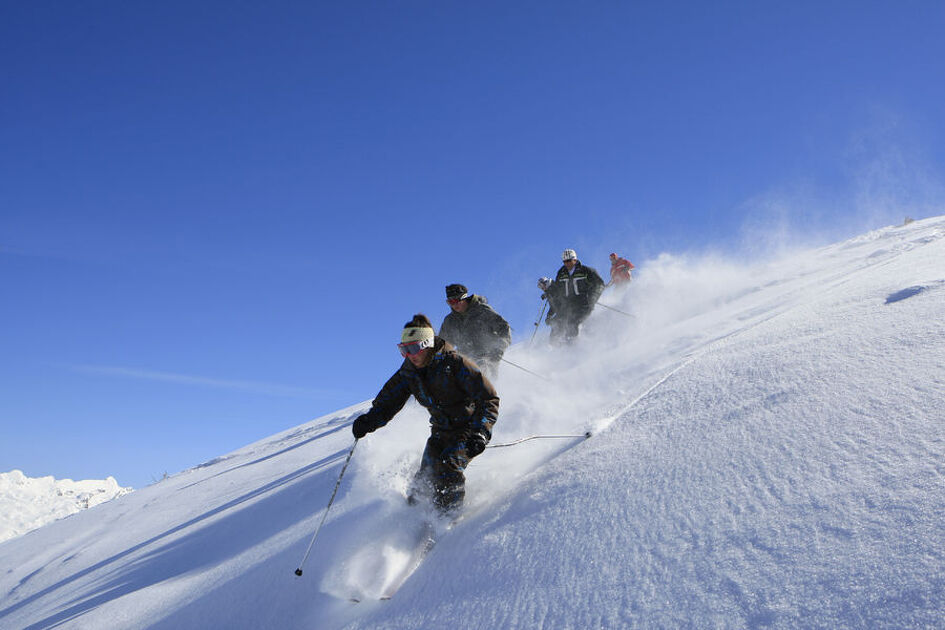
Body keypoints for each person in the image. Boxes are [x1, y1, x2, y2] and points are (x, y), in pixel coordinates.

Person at [351, 314, 499, 516]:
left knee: (448, 468)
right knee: (423, 482)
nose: (409, 355)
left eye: (413, 348)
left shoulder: (455, 364)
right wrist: (368, 421)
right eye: (403, 350)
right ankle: (411, 524)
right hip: (440, 432)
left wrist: (481, 432)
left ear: (427, 344)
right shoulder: (409, 373)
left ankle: (447, 521)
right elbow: (388, 401)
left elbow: (488, 399)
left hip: (467, 430)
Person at [438, 283, 511, 380]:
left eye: (456, 300)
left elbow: (504, 328)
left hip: (488, 357)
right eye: (450, 302)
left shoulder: (482, 311)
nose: (454, 305)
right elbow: (442, 344)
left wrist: (499, 348)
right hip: (465, 360)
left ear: (464, 298)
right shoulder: (450, 321)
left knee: (483, 379)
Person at [539, 249, 605, 344]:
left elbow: (599, 284)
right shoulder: (561, 273)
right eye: (564, 261)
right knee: (557, 323)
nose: (567, 264)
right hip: (568, 304)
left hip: (584, 303)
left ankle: (573, 346)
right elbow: (558, 289)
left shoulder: (585, 271)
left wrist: (592, 297)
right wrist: (549, 292)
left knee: (572, 323)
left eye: (569, 261)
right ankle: (555, 347)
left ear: (575, 259)